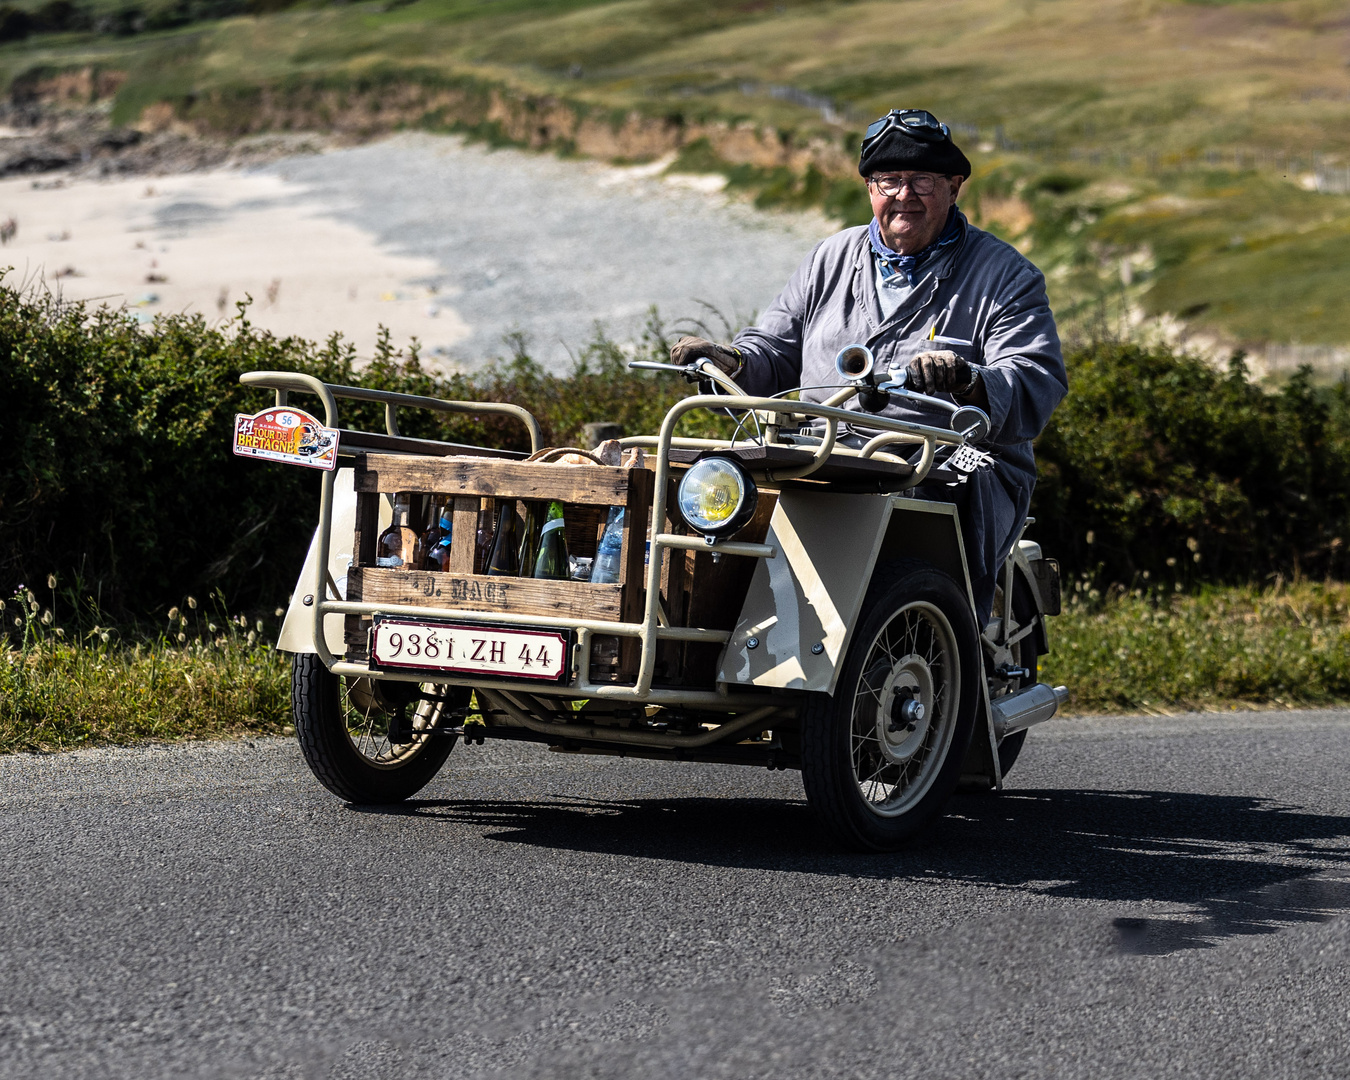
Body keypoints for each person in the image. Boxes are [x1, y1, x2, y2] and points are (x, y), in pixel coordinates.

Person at [668, 108, 1067, 627]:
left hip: (943, 459)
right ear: (869, 188)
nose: (905, 195)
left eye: (922, 180)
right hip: (821, 451)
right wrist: (731, 359)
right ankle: (706, 639)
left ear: (954, 186)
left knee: (925, 515)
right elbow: (773, 350)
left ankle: (950, 650)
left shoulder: (1005, 273)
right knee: (703, 492)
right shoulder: (829, 257)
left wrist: (970, 379)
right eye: (889, 181)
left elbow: (1036, 376)